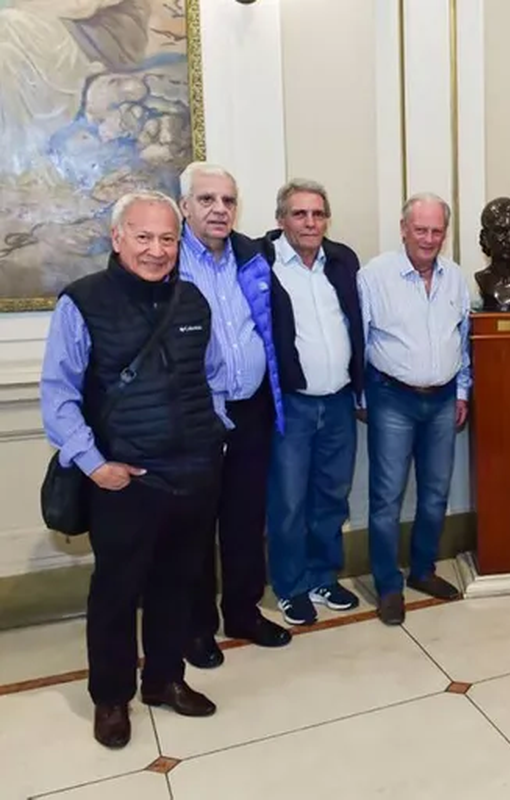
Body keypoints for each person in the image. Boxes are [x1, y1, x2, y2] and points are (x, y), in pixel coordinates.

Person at [41, 191, 229, 749]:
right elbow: (58, 396)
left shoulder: (193, 300)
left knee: (178, 584)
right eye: (143, 237)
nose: (156, 249)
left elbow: (213, 375)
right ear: (117, 237)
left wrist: (215, 436)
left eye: (167, 238)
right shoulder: (82, 302)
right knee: (117, 593)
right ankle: (111, 698)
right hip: (124, 480)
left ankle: (165, 679)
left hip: (194, 473)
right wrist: (96, 466)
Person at [177, 162, 291, 669]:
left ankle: (243, 612)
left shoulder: (250, 255)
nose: (219, 210)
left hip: (251, 410)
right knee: (196, 527)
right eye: (207, 200)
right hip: (195, 416)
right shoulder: (169, 259)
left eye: (227, 200)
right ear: (185, 206)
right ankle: (197, 626)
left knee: (245, 520)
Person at [359, 192, 471, 626]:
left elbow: (462, 341)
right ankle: (389, 585)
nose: (428, 238)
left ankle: (423, 570)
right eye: (420, 229)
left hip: (442, 399)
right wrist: (362, 396)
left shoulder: (455, 277)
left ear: (446, 233)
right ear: (403, 229)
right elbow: (360, 338)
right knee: (386, 497)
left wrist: (462, 391)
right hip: (392, 398)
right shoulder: (375, 275)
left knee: (436, 492)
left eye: (436, 231)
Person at [262, 179, 365, 627]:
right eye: (299, 214)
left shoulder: (341, 261)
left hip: (339, 401)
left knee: (331, 496)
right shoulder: (262, 262)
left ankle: (324, 576)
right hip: (292, 405)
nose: (310, 222)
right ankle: (291, 586)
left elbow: (356, 322)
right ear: (281, 219)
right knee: (288, 501)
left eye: (318, 214)